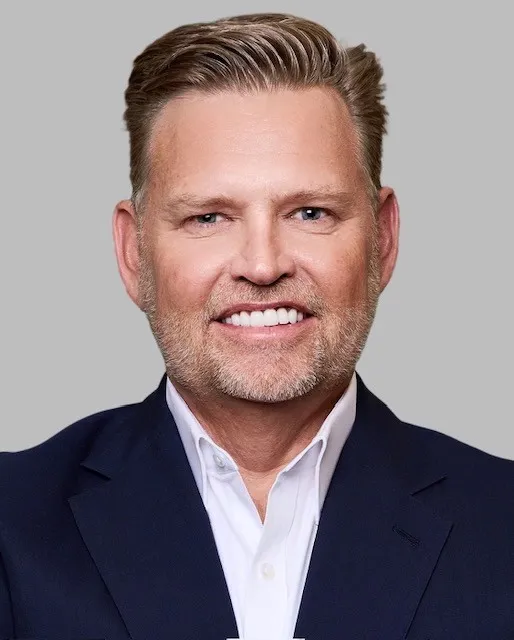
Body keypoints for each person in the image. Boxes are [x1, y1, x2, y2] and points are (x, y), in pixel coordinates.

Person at [1, 12, 513, 640]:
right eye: (209, 218)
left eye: (310, 212)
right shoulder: (11, 521)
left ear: (382, 239)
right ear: (135, 254)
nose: (264, 265)